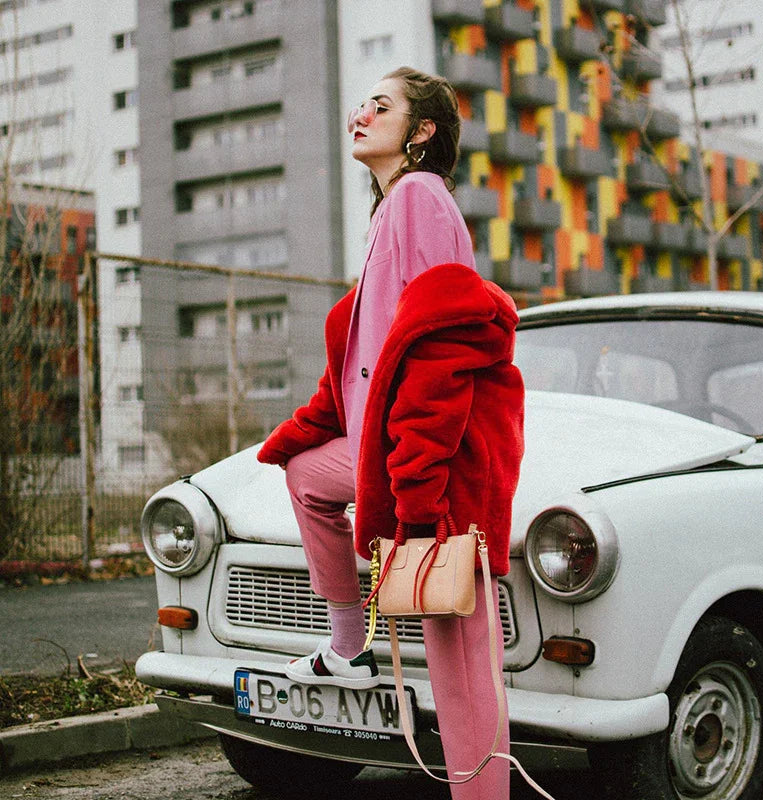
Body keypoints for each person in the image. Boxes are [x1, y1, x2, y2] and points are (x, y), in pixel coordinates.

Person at [256, 66, 525, 800]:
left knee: (460, 663)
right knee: (308, 472)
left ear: (422, 131)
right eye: (360, 104)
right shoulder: (390, 214)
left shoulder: (420, 200)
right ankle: (349, 647)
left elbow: (443, 349)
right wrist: (309, 431)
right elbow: (368, 363)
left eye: (382, 106)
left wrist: (417, 491)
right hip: (392, 456)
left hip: (439, 467)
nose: (360, 114)